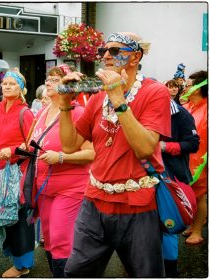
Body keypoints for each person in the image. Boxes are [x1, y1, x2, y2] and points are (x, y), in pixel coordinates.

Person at [59, 32, 171, 277]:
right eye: (103, 51)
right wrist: (66, 104)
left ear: (135, 57)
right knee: (77, 271)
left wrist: (118, 99)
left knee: (145, 274)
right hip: (94, 201)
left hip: (138, 205)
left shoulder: (155, 92)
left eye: (116, 51)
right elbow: (69, 146)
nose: (106, 56)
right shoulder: (98, 97)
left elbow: (145, 147)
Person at [27, 67, 94, 277]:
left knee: (61, 238)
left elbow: (92, 154)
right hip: (43, 187)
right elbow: (30, 143)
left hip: (71, 187)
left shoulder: (79, 113)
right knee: (47, 238)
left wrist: (61, 157)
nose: (48, 82)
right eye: (48, 78)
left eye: (55, 79)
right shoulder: (41, 112)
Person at [0, 71, 35, 278]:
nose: (6, 87)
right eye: (4, 83)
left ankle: (23, 264)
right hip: (0, 172)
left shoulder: (26, 113)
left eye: (12, 84)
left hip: (17, 173)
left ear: (21, 88)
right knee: (6, 218)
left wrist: (12, 150)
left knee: (18, 219)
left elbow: (33, 145)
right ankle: (16, 258)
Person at [160, 84, 199, 277]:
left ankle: (170, 272)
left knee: (169, 225)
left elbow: (193, 144)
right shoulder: (141, 111)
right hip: (142, 178)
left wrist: (164, 146)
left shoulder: (181, 114)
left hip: (172, 177)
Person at [181, 70, 208, 245]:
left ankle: (198, 231)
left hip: (201, 162)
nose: (184, 88)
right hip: (185, 160)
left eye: (187, 86)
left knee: (200, 196)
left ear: (197, 89)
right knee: (189, 194)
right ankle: (192, 225)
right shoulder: (187, 107)